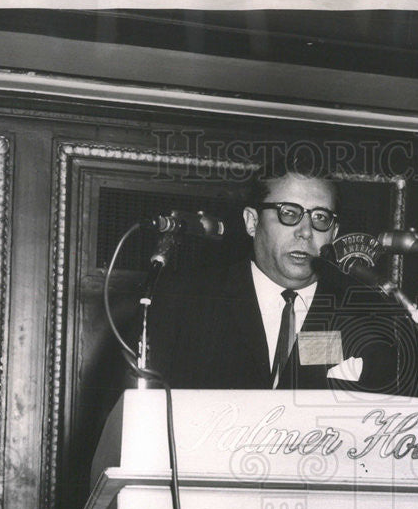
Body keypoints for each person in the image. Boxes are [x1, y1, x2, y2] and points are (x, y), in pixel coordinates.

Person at [146, 156, 404, 394]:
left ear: (334, 232)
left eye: (320, 217)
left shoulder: (364, 317)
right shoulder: (186, 300)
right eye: (289, 213)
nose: (305, 232)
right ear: (252, 221)